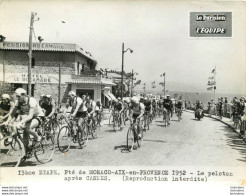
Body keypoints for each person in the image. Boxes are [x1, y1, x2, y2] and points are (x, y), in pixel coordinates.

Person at [3, 88, 45, 153]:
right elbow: (12, 114)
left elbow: (30, 115)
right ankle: (27, 152)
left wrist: (20, 122)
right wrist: (7, 121)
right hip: (28, 117)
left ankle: (38, 138)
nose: (17, 98)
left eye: (18, 96)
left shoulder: (32, 100)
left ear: (24, 95)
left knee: (27, 128)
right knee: (25, 135)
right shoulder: (18, 102)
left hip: (38, 116)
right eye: (16, 96)